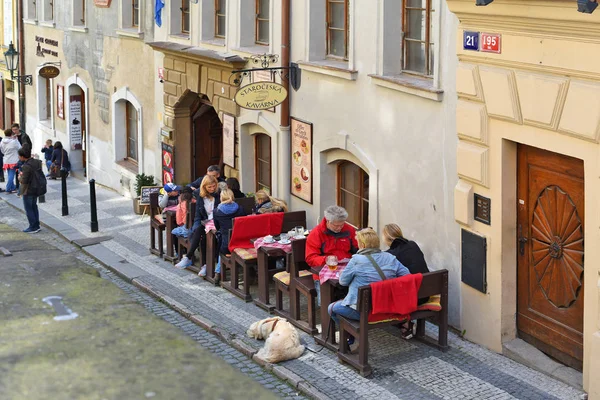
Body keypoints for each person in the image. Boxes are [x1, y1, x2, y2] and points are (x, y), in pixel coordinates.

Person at [328, 228, 409, 350]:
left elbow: (342, 282)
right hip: (387, 305)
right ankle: (352, 337)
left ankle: (354, 337)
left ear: (363, 245)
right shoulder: (390, 257)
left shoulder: (356, 260)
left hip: (366, 311)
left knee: (332, 308)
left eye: (358, 242)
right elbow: (407, 275)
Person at [305, 205, 358, 306]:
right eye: (336, 225)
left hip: (347, 269)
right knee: (326, 301)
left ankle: (347, 314)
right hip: (324, 272)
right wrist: (326, 259)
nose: (339, 228)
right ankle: (328, 316)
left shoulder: (349, 230)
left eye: (342, 225)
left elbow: (357, 249)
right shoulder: (316, 234)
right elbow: (310, 258)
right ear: (328, 221)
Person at [175, 175, 220, 276]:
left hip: (217, 223)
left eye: (214, 186)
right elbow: (198, 216)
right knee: (200, 233)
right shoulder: (199, 195)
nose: (212, 189)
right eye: (209, 187)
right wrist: (195, 228)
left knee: (202, 233)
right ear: (204, 187)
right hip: (205, 223)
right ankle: (203, 265)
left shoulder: (219, 194)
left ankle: (189, 258)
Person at [213, 189, 246, 284]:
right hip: (241, 243)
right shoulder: (240, 209)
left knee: (221, 246)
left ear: (221, 198)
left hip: (226, 246)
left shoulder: (217, 211)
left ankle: (217, 273)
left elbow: (217, 227)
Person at [17, 147, 44, 233]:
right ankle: (37, 225)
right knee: (34, 206)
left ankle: (33, 226)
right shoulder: (37, 162)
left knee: (29, 208)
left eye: (19, 156)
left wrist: (19, 178)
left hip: (29, 189)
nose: (18, 157)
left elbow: (24, 181)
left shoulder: (26, 166)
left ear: (22, 156)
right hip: (37, 187)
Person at [0, 129, 21, 193]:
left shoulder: (2, 141)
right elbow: (20, 148)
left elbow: (2, 151)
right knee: (11, 175)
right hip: (13, 160)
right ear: (11, 134)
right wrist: (16, 139)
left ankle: (12, 187)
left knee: (9, 174)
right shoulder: (14, 141)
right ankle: (8, 188)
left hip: (6, 160)